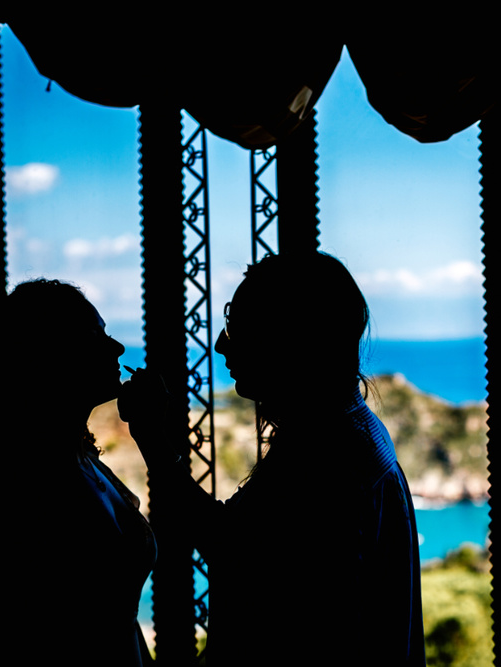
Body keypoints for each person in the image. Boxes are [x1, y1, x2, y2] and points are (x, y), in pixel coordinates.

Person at [120, 251, 425, 666]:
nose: (222, 343)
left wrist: (154, 443)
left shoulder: (327, 456)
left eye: (239, 324)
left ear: (292, 338)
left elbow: (232, 547)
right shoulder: (345, 433)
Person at [0, 279, 156, 666]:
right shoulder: (30, 484)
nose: (117, 347)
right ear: (51, 354)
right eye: (96, 334)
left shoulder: (81, 460)